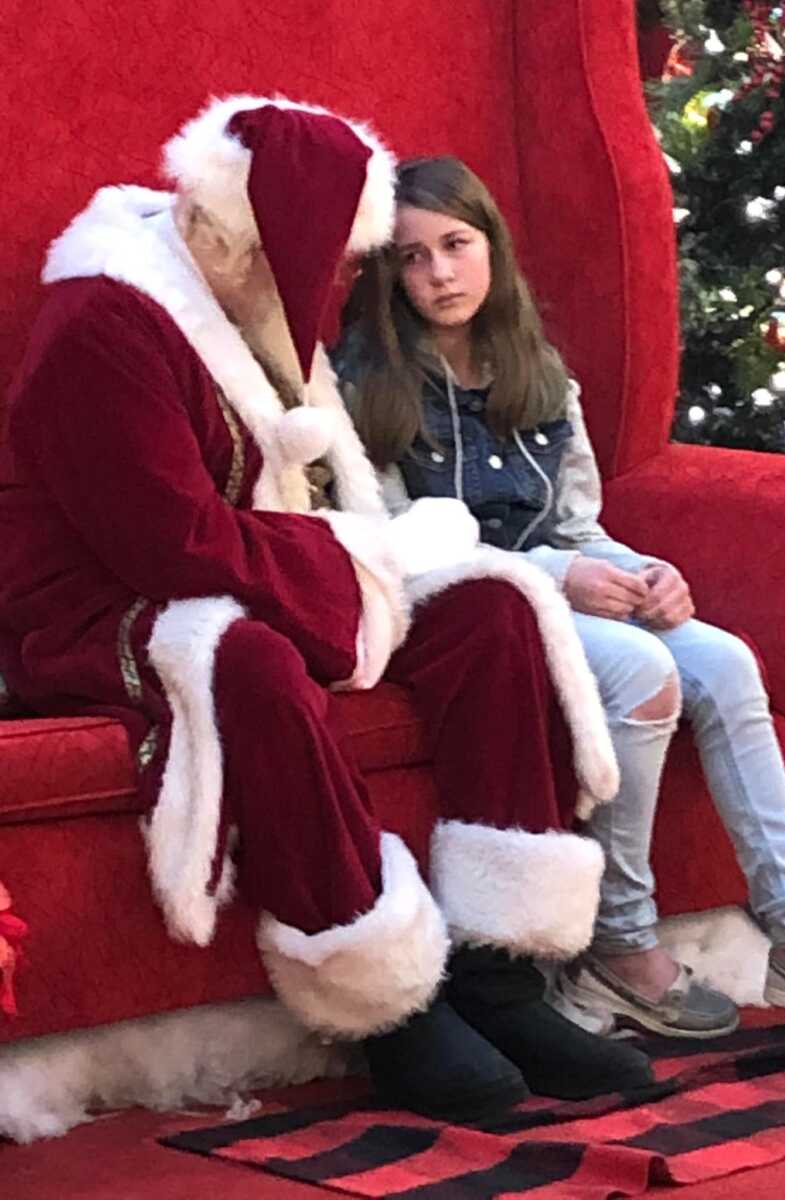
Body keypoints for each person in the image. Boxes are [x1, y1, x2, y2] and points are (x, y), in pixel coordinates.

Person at [0, 100, 654, 1120]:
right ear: (260, 241)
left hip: (261, 562)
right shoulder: (104, 323)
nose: (349, 284)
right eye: (342, 261)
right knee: (252, 662)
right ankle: (383, 1003)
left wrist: (371, 568)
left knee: (494, 607)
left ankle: (495, 973)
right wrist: (349, 579)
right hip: (100, 607)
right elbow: (166, 546)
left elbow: (309, 501)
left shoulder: (244, 298)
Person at [335, 154, 785, 1037]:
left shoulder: (540, 373)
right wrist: (566, 579)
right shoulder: (363, 385)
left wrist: (646, 571)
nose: (439, 274)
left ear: (492, 248)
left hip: (562, 588)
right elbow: (393, 546)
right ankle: (618, 944)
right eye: (411, 257)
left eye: (456, 244)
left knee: (725, 658)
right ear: (386, 272)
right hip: (464, 610)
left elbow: (578, 523)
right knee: (640, 670)